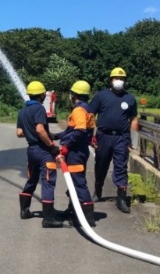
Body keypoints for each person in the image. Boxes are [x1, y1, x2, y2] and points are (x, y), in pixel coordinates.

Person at [89, 67, 139, 213]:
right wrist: (91, 136)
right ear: (111, 80)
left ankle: (121, 198)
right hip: (103, 136)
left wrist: (133, 141)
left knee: (121, 167)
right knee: (101, 164)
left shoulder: (130, 98)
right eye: (116, 78)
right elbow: (90, 115)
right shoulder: (101, 96)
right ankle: (98, 190)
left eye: (122, 79)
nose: (119, 81)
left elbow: (134, 119)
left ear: (125, 81)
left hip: (121, 137)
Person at [16, 81, 64, 228]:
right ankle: (48, 218)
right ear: (42, 95)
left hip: (31, 151)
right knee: (48, 181)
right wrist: (52, 146)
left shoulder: (22, 111)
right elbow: (40, 130)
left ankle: (24, 211)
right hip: (43, 151)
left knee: (32, 180)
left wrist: (34, 133)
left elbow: (19, 133)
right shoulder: (39, 109)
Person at [54, 81, 96, 227]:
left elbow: (79, 131)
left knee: (78, 183)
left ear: (74, 95)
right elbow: (71, 130)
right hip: (81, 151)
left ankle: (86, 217)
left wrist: (66, 146)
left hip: (75, 152)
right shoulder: (87, 108)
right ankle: (72, 210)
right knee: (73, 182)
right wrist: (57, 136)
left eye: (71, 93)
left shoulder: (79, 110)